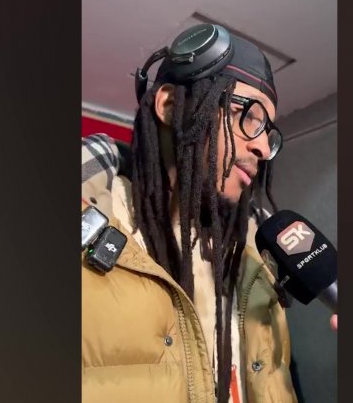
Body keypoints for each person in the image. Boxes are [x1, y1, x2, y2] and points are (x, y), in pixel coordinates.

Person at [81, 24, 333, 403]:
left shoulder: (258, 251)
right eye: (249, 116)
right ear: (170, 106)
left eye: (268, 132)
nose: (263, 147)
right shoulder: (97, 217)